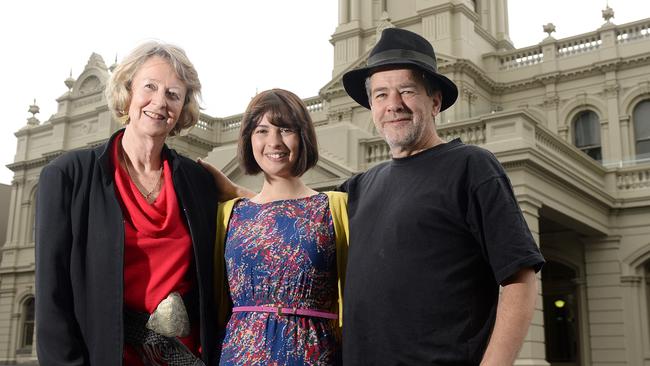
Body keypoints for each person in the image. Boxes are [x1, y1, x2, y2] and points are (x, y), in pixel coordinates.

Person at [338, 28, 545, 365]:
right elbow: (286, 210)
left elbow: (520, 279)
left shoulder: (471, 166)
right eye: (380, 95)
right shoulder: (357, 188)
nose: (394, 105)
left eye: (406, 90)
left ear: (434, 102)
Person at [35, 41, 227, 365]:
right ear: (128, 91)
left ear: (183, 108)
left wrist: (240, 192)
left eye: (173, 94)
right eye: (149, 87)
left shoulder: (198, 183)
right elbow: (53, 302)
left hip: (184, 358)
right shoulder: (68, 176)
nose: (159, 102)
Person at [212, 89, 348, 365]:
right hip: (238, 356)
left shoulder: (334, 208)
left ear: (303, 136)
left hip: (313, 356)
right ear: (249, 139)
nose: (274, 141)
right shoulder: (229, 215)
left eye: (286, 129)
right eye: (262, 130)